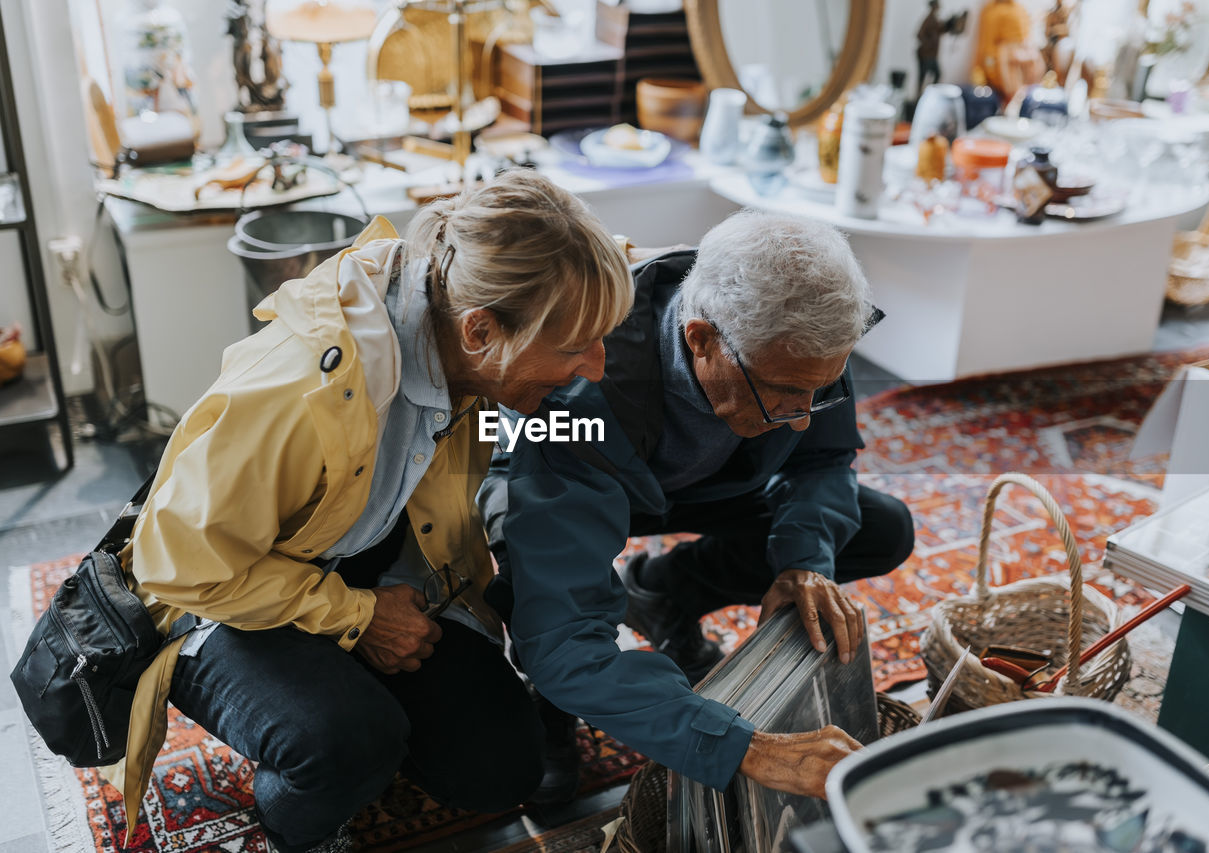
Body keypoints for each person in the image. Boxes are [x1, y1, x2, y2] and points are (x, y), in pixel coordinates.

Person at [110, 170, 634, 853]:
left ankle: (347, 713)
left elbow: (540, 441)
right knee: (346, 744)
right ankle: (300, 813)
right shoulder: (298, 387)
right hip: (215, 598)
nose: (594, 365)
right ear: (481, 330)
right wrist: (359, 618)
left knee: (503, 769)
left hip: (359, 570)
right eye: (574, 348)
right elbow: (175, 567)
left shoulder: (468, 335)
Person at [480, 211, 915, 805]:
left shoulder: (796, 345)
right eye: (787, 392)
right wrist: (744, 747)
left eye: (821, 389)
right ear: (701, 339)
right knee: (546, 612)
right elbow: (566, 633)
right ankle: (548, 709)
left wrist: (804, 562)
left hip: (704, 485)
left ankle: (666, 590)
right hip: (576, 472)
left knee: (881, 530)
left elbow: (823, 460)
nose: (805, 413)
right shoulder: (572, 392)